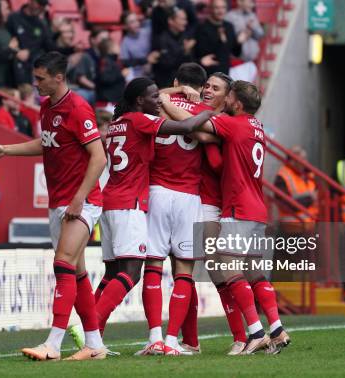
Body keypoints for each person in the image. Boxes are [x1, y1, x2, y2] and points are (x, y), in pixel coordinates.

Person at [0, 51, 109, 361]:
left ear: (58, 77)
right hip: (59, 200)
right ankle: (94, 345)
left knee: (62, 263)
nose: (35, 84)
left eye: (40, 78)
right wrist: (5, 150)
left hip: (82, 200)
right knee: (76, 273)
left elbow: (99, 156)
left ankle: (53, 344)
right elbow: (46, 143)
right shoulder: (47, 107)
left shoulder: (78, 108)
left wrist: (79, 197)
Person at [94, 78, 214, 346]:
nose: (158, 100)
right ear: (140, 100)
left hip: (111, 200)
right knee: (132, 272)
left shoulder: (117, 122)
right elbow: (187, 126)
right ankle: (90, 324)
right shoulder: (140, 120)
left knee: (113, 273)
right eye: (153, 97)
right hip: (132, 203)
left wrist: (176, 92)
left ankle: (95, 336)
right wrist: (210, 111)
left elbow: (157, 96)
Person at [194, 80, 290, 354]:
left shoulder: (233, 123)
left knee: (228, 269)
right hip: (258, 208)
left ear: (236, 102)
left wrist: (173, 105)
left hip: (238, 207)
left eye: (228, 95)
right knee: (254, 271)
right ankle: (277, 328)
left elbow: (198, 131)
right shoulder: (256, 127)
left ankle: (255, 332)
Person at [161, 72, 251, 355]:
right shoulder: (203, 112)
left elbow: (192, 129)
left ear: (229, 97)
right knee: (186, 270)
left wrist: (168, 99)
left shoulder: (223, 125)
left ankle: (243, 335)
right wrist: (179, 91)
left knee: (217, 271)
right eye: (207, 86)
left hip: (212, 203)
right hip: (193, 200)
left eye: (216, 88)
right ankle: (191, 340)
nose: (208, 90)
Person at [136, 63, 210, 356]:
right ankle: (171, 341)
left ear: (177, 81)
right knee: (184, 271)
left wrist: (172, 91)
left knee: (153, 266)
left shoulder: (158, 105)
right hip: (188, 196)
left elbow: (136, 97)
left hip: (156, 192)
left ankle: (153, 337)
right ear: (201, 87)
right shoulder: (202, 110)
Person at [6, 0, 56, 85]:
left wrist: (71, 48)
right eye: (40, 3)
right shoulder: (13, 18)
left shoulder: (41, 24)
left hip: (31, 69)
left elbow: (48, 45)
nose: (41, 7)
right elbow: (6, 40)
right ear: (31, 1)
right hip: (12, 66)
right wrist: (16, 52)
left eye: (44, 5)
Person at [274, 145, 318, 234]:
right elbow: (285, 205)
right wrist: (310, 198)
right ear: (292, 161)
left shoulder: (309, 174)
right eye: (301, 159)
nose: (305, 162)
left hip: (310, 228)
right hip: (291, 230)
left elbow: (319, 194)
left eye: (305, 159)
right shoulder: (282, 177)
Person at [194, 0, 241, 76]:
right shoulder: (202, 28)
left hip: (225, 74)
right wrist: (220, 41)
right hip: (206, 74)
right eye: (217, 8)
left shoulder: (229, 26)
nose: (220, 11)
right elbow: (200, 53)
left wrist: (239, 42)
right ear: (210, 9)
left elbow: (235, 52)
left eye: (223, 7)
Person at [151, 7, 195, 88]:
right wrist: (184, 51)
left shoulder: (185, 36)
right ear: (170, 21)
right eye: (182, 19)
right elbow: (167, 64)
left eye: (185, 19)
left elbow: (190, 61)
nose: (185, 22)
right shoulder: (161, 39)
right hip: (167, 85)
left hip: (185, 82)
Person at [120, 11, 152, 81]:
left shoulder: (147, 32)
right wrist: (145, 61)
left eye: (136, 20)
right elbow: (125, 62)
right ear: (125, 26)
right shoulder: (125, 42)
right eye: (132, 22)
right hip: (138, 75)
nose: (136, 24)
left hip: (154, 68)